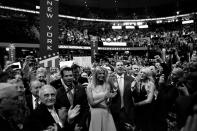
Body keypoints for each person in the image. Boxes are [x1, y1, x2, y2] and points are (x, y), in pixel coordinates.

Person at [54, 66, 90, 131]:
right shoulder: (57, 93)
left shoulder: (80, 88)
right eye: (66, 76)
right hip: (65, 127)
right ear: (62, 77)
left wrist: (79, 124)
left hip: (80, 126)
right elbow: (57, 112)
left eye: (70, 75)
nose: (69, 78)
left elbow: (85, 108)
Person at [86, 66, 117, 131]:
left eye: (103, 73)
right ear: (95, 74)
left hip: (106, 112)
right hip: (95, 113)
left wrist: (111, 98)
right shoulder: (90, 86)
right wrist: (104, 97)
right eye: (100, 73)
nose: (102, 75)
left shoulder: (107, 85)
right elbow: (92, 104)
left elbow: (108, 102)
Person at [108, 60, 135, 131]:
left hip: (127, 109)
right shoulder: (110, 79)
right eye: (118, 65)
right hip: (114, 109)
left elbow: (134, 94)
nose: (120, 66)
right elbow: (107, 93)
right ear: (115, 67)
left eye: (121, 65)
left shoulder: (131, 79)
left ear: (124, 67)